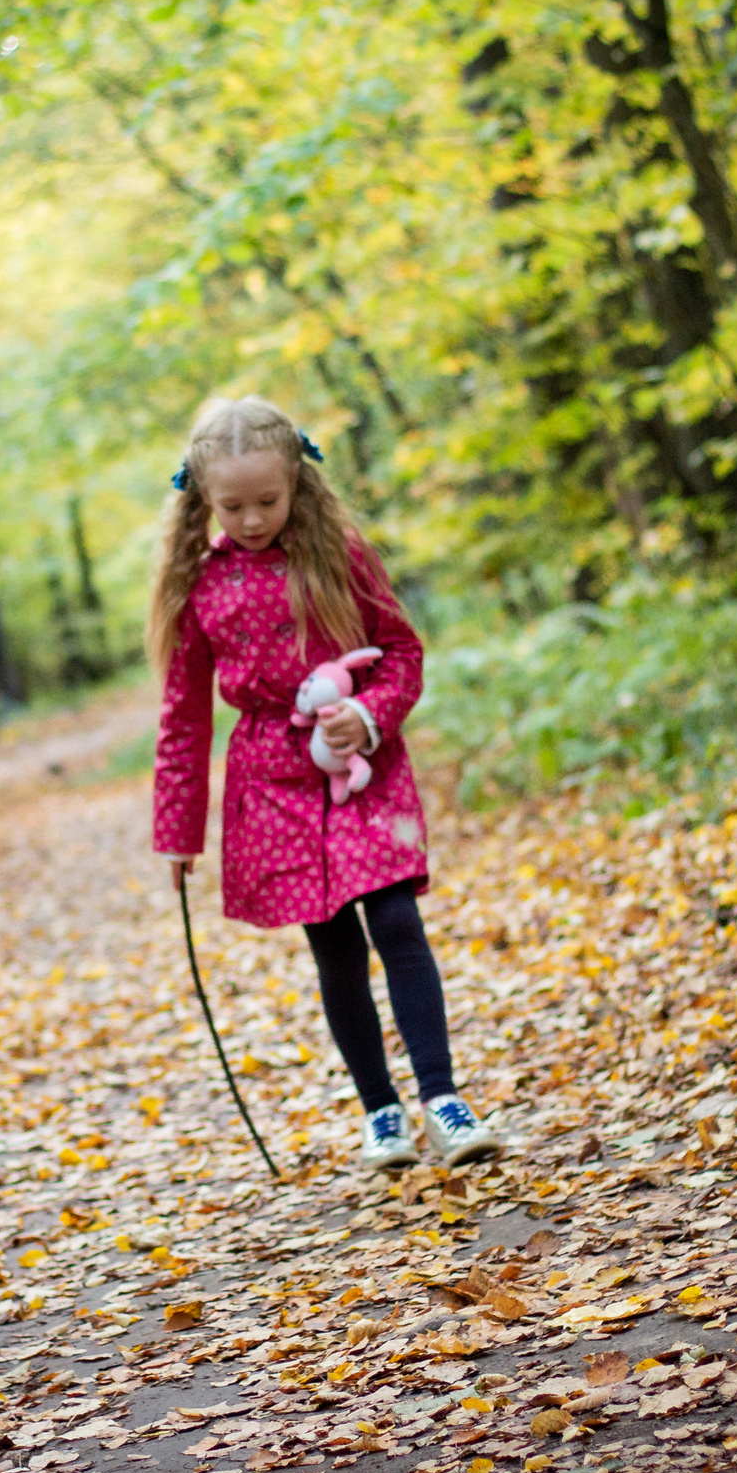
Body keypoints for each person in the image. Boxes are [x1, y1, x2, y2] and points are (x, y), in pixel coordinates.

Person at [150, 396, 503, 1172]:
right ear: (203, 500)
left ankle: (442, 1097)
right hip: (271, 785)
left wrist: (371, 716)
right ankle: (381, 1112)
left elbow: (402, 653)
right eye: (231, 505)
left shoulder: (340, 552)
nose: (250, 518)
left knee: (398, 921)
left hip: (362, 769)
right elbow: (183, 720)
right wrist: (177, 834)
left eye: (267, 501)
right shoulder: (200, 586)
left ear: (297, 484)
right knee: (335, 945)